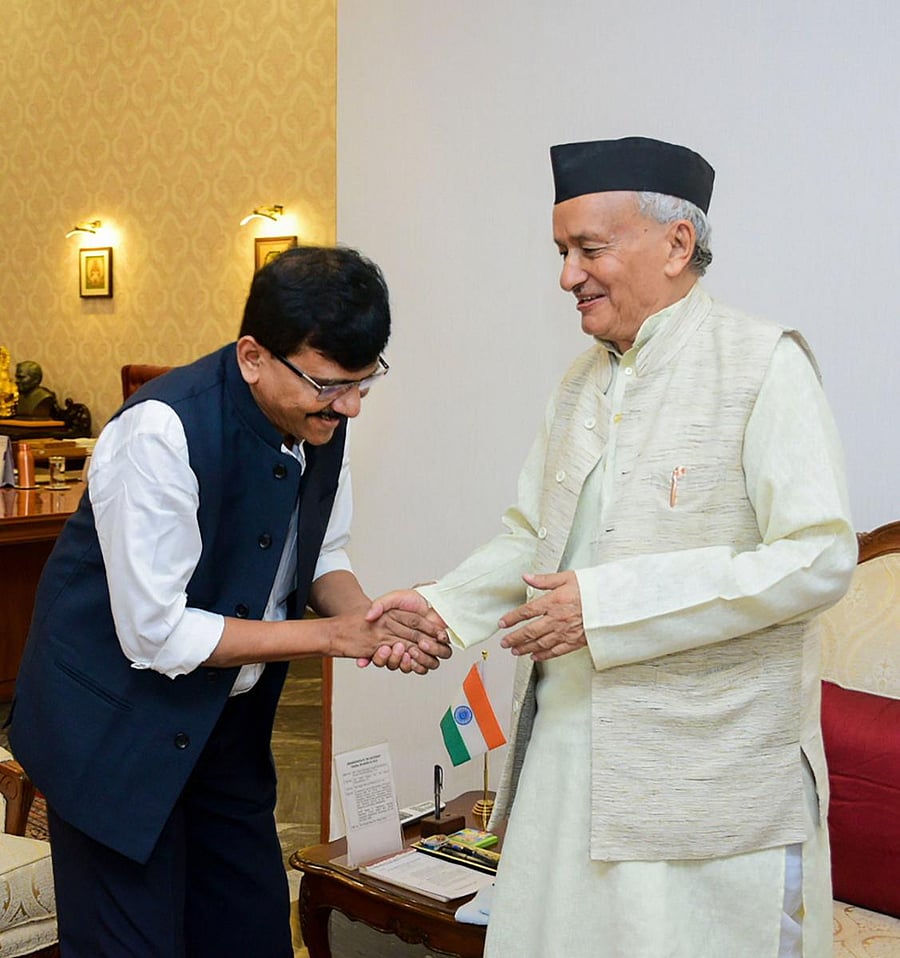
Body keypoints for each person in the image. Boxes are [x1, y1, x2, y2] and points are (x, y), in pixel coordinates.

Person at [370, 137, 857, 957]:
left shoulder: (764, 364)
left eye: (589, 249)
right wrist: (442, 607)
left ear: (676, 245)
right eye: (562, 252)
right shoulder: (580, 380)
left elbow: (817, 556)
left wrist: (608, 605)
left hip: (708, 778)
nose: (568, 276)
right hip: (568, 763)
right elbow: (533, 536)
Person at [9, 245, 450, 957]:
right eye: (331, 384)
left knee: (247, 934)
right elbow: (156, 635)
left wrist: (368, 615)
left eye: (366, 383)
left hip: (227, 735)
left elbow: (318, 556)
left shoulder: (323, 425)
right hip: (111, 737)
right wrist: (336, 637)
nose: (352, 405)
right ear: (253, 357)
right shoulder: (160, 431)